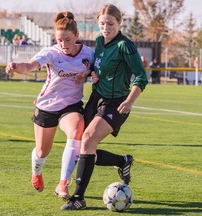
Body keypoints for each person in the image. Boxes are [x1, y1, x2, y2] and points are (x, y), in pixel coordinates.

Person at [61, 4, 148, 210]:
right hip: (96, 98)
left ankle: (78, 198)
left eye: (110, 23)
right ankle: (122, 160)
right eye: (102, 23)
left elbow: (142, 76)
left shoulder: (125, 46)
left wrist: (130, 100)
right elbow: (98, 65)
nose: (106, 27)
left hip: (116, 103)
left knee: (88, 140)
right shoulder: (100, 41)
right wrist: (89, 72)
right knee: (84, 148)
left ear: (119, 23)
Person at [5, 11, 94, 199]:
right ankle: (36, 171)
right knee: (42, 151)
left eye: (68, 40)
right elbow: (29, 66)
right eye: (60, 40)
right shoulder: (51, 53)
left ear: (77, 36)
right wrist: (16, 66)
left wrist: (87, 74)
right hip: (47, 107)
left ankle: (63, 184)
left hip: (71, 106)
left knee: (77, 129)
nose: (63, 45)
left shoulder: (88, 54)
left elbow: (96, 70)